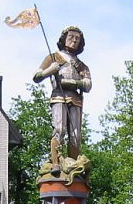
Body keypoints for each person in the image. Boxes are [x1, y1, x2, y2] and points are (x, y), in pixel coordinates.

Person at [33, 26, 91, 171]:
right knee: (59, 129)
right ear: (64, 38)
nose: (74, 41)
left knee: (75, 134)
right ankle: (55, 163)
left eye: (77, 39)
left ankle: (72, 164)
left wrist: (74, 83)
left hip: (75, 99)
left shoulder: (81, 65)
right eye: (71, 37)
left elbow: (88, 84)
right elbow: (37, 76)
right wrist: (50, 70)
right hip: (59, 96)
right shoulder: (54, 57)